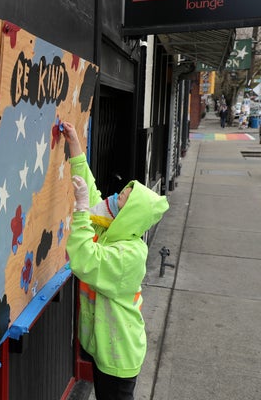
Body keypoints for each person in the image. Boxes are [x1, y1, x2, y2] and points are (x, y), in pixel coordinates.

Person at [61, 121, 169, 400]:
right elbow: (90, 187)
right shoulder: (111, 228)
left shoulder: (131, 254)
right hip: (105, 347)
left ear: (131, 217)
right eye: (121, 193)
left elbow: (85, 258)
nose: (114, 199)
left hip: (119, 355)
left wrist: (82, 211)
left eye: (122, 201)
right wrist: (74, 143)